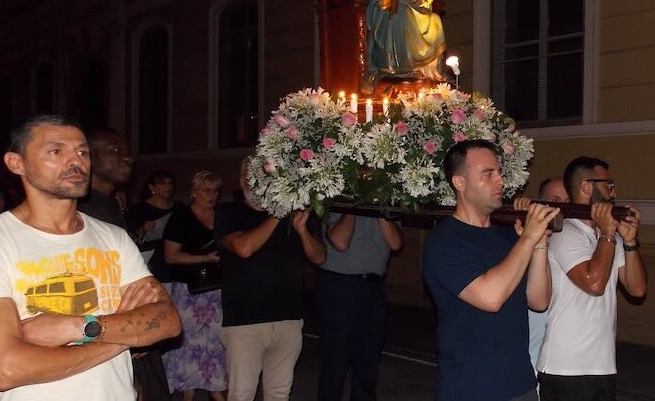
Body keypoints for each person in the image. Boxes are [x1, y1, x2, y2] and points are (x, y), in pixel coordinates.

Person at [0, 114, 181, 399]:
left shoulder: (112, 237)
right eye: (56, 151)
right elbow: (7, 368)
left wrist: (78, 327)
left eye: (82, 152)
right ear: (15, 163)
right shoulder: (0, 240)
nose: (76, 161)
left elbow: (167, 320)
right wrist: (122, 337)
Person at [422, 139, 560, 401]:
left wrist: (539, 245)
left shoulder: (508, 237)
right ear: (459, 183)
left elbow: (539, 301)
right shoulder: (445, 240)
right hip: (471, 387)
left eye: (499, 172)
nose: (501, 181)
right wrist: (528, 239)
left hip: (520, 383)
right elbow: (490, 297)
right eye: (488, 174)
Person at [534, 157, 646, 401]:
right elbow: (594, 284)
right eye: (608, 184)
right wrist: (608, 233)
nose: (613, 191)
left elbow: (637, 289)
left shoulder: (608, 237)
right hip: (565, 369)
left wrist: (628, 241)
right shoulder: (566, 233)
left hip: (602, 366)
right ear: (586, 187)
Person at [216, 157, 326, 401]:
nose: (256, 182)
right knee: (241, 394)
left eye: (263, 175)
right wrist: (278, 213)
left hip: (288, 320)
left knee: (279, 394)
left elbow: (319, 258)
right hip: (244, 324)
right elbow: (244, 248)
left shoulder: (292, 217)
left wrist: (302, 231)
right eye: (250, 176)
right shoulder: (228, 212)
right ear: (241, 180)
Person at [85, 132, 172, 401]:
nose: (128, 157)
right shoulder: (82, 209)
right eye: (116, 149)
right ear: (92, 157)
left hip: (133, 327)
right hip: (112, 332)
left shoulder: (109, 204)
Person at [316, 190, 403, 401]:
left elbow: (396, 244)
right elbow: (339, 241)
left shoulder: (388, 200)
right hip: (340, 287)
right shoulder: (336, 196)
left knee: (368, 364)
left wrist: (380, 207)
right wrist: (356, 203)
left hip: (373, 288)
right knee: (335, 366)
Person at [161, 171, 227, 401]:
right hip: (191, 289)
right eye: (206, 190)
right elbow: (171, 256)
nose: (212, 196)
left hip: (216, 289)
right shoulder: (181, 217)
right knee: (190, 342)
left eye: (216, 191)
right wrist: (205, 258)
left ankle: (214, 386)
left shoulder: (222, 216)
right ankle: (187, 390)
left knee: (215, 341)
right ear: (194, 192)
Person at [526, 177, 568, 371]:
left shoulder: (578, 239)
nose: (562, 209)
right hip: (532, 352)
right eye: (556, 201)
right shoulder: (526, 237)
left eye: (568, 202)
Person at [82, 129, 133, 229]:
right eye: (116, 150)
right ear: (90, 156)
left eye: (127, 151)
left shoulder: (111, 203)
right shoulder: (79, 207)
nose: (128, 158)